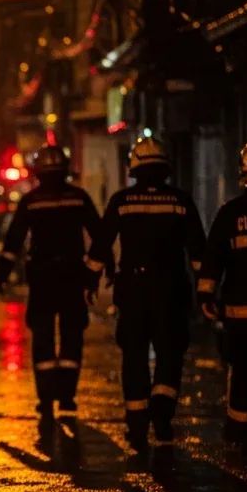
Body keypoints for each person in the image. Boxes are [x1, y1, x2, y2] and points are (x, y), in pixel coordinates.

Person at [86, 135, 206, 451]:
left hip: (134, 292)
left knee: (135, 357)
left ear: (134, 168)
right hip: (171, 292)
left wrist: (90, 281)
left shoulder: (122, 201)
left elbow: (100, 246)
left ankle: (137, 428)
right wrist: (206, 293)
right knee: (169, 355)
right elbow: (198, 253)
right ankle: (162, 417)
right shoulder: (181, 201)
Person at [0, 144, 103, 424]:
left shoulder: (31, 200)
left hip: (42, 279)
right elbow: (99, 237)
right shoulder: (78, 197)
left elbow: (14, 240)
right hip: (71, 277)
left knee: (43, 339)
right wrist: (96, 273)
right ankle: (66, 397)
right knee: (72, 337)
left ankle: (45, 400)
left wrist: (2, 273)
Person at [197, 137, 247, 454]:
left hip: (241, 317)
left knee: (243, 375)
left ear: (243, 174)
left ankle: (240, 435)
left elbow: (213, 260)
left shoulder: (230, 214)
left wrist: (205, 297)